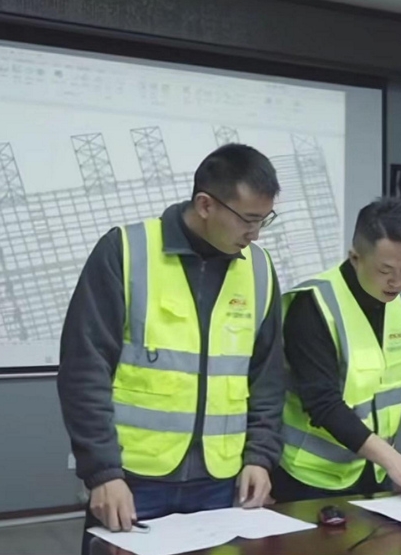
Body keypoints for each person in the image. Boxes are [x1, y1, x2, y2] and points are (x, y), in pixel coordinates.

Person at [58, 144, 285, 554]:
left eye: (264, 220)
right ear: (205, 205)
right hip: (132, 481)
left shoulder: (259, 269)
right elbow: (84, 369)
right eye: (248, 220)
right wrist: (103, 472)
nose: (255, 234)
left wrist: (260, 456)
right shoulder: (126, 251)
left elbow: (266, 377)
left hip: (222, 483)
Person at [275, 197, 401, 502]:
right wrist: (396, 461)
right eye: (386, 270)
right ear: (355, 258)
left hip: (372, 471)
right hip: (311, 477)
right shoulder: (313, 305)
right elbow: (323, 403)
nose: (397, 281)